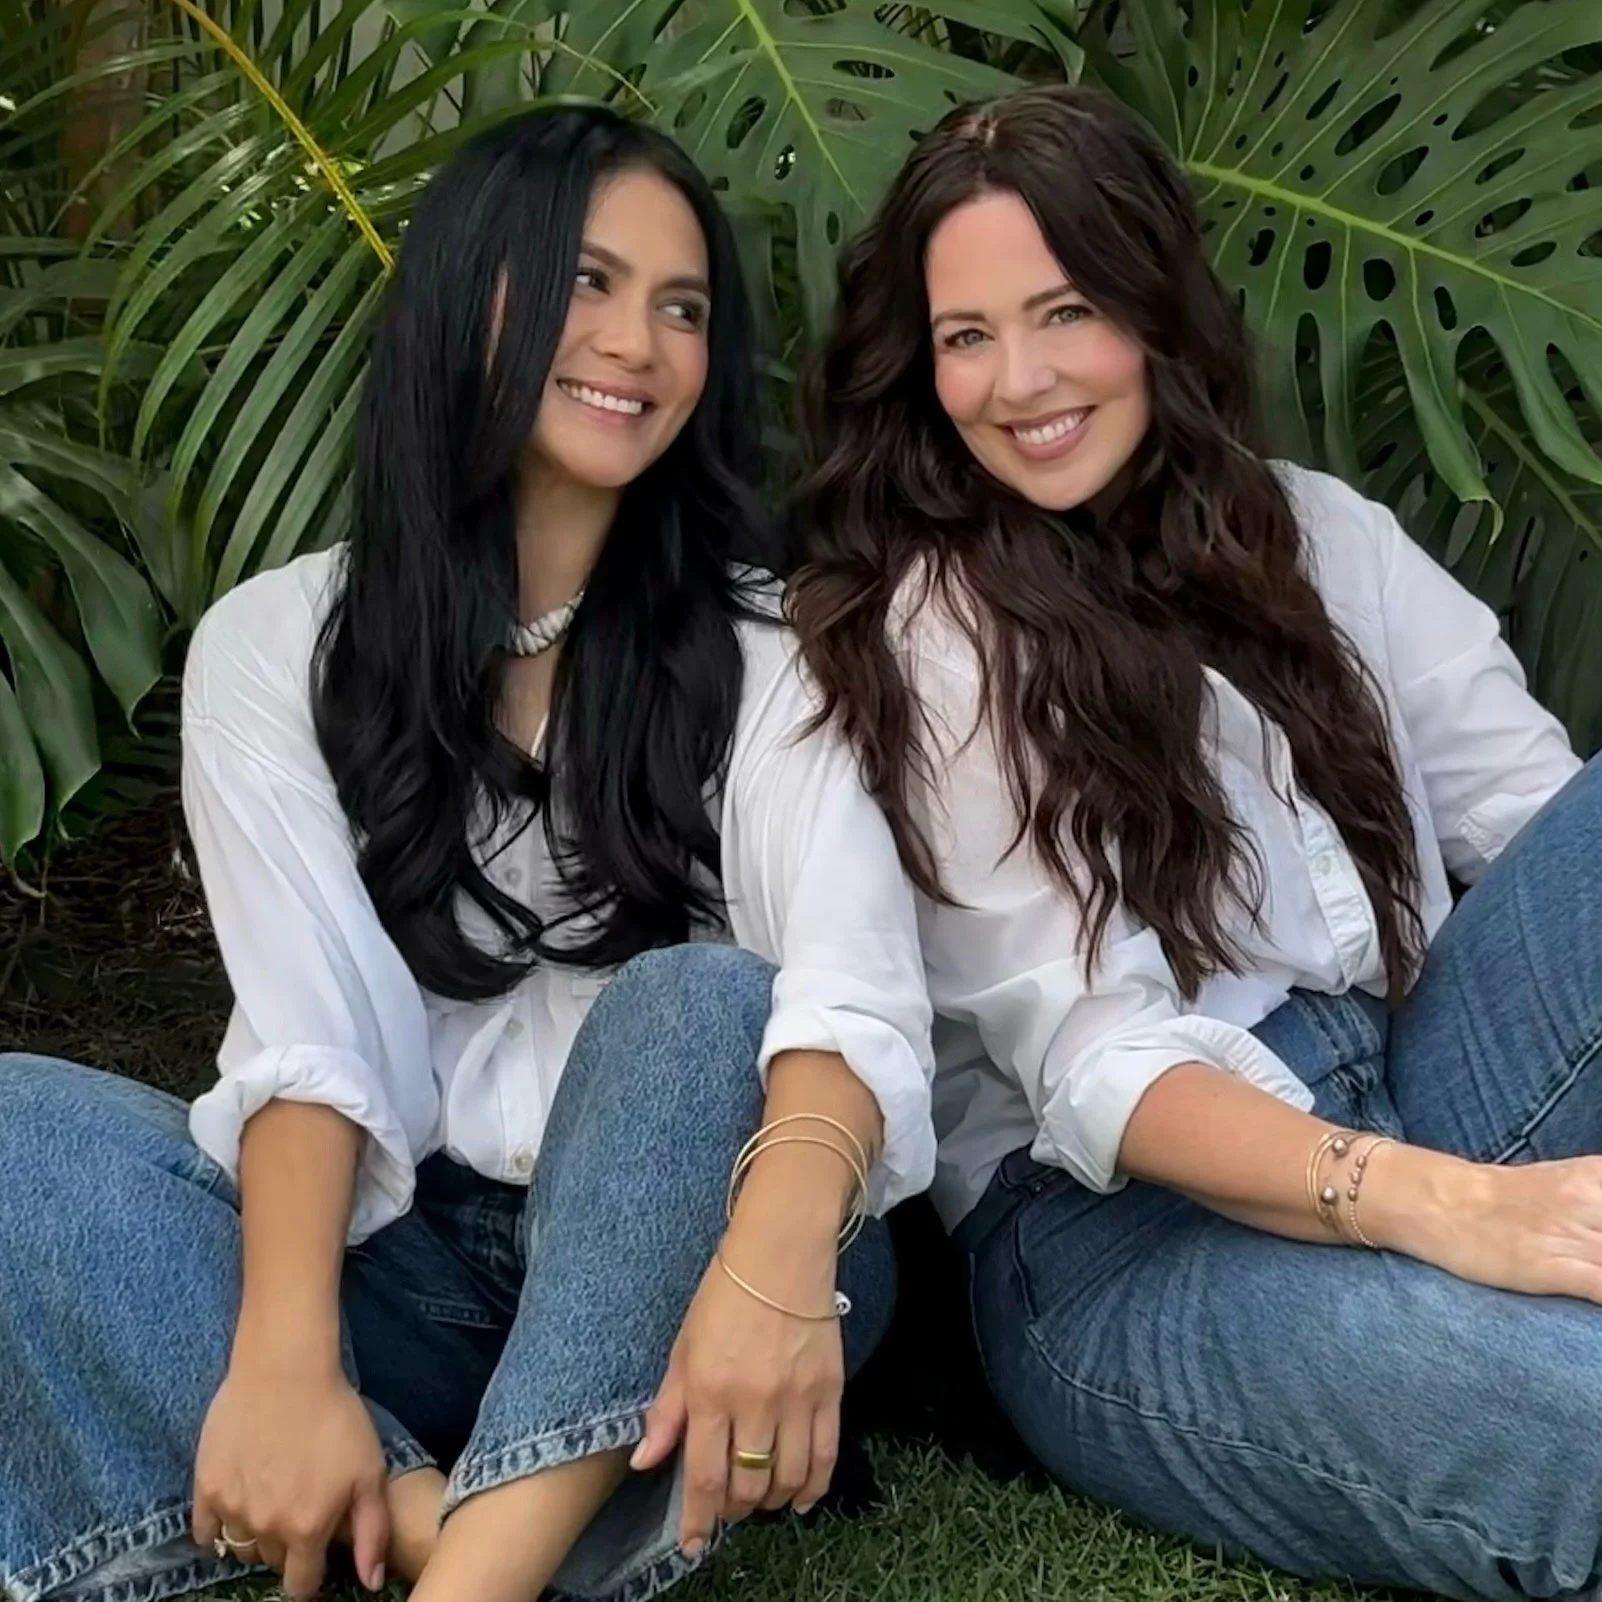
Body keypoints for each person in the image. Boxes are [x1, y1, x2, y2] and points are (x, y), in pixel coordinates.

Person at [0, 105, 934, 1602]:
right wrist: (288, 1359)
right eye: (586, 280)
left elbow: (851, 991)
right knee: (17, 1129)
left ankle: (455, 1563)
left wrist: (771, 1274)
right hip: (410, 1271)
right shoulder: (278, 644)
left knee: (701, 1004)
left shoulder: (775, 646)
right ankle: (447, 1500)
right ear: (464, 291)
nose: (636, 342)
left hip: (722, 1266)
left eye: (681, 307)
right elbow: (312, 1038)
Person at [788, 81, 1602, 1602]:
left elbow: (1550, 834)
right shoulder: (939, 633)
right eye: (967, 336)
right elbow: (1099, 1068)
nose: (1020, 381)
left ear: (1153, 304)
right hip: (1130, 1237)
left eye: (1066, 311)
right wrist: (1466, 1209)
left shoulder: (1317, 530)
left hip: (1423, 1068)